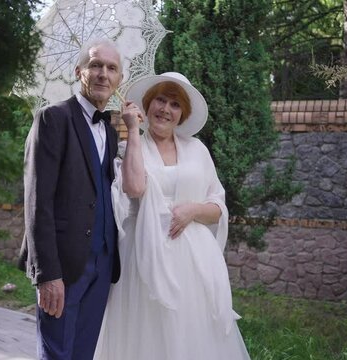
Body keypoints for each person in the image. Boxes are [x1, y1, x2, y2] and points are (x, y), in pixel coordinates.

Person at [94, 72, 251, 359]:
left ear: (183, 114)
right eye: (161, 100)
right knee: (146, 337)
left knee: (189, 337)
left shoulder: (198, 151)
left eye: (175, 104)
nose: (166, 109)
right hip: (143, 260)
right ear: (148, 104)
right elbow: (135, 187)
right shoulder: (130, 147)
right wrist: (132, 133)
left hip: (191, 264)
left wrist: (193, 210)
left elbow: (217, 207)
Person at [17, 38, 130, 360]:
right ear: (79, 71)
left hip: (104, 263)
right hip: (64, 265)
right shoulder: (53, 118)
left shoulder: (109, 131)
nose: (102, 74)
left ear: (120, 79)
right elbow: (38, 201)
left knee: (83, 354)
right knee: (56, 354)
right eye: (95, 65)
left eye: (111, 68)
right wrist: (48, 274)